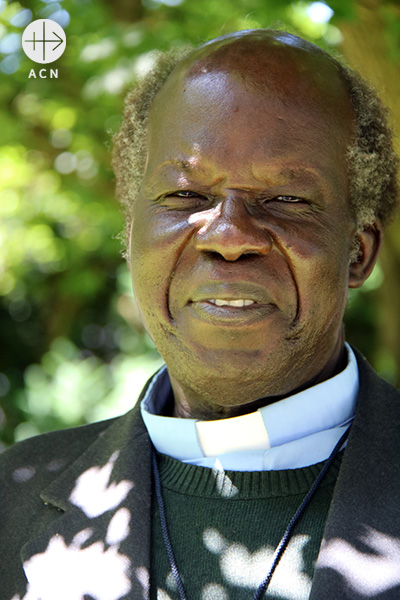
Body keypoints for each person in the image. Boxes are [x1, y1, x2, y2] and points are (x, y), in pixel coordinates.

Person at [0, 29, 399, 600]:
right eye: (186, 195)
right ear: (131, 237)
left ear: (358, 252)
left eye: (286, 199)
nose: (229, 235)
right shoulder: (11, 498)